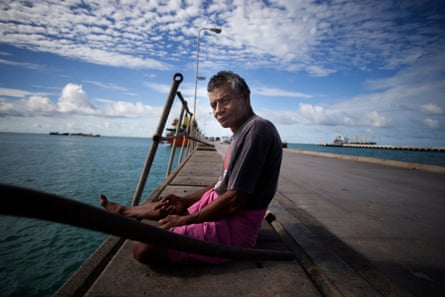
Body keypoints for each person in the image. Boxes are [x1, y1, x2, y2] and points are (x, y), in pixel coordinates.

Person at [100, 70, 282, 264]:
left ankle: (132, 213)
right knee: (171, 206)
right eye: (213, 105)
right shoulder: (241, 132)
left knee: (143, 248)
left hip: (235, 228)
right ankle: (125, 211)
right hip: (222, 205)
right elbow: (222, 184)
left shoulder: (256, 131)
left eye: (225, 100)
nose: (218, 110)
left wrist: (185, 220)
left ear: (245, 96)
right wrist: (184, 201)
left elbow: (234, 200)